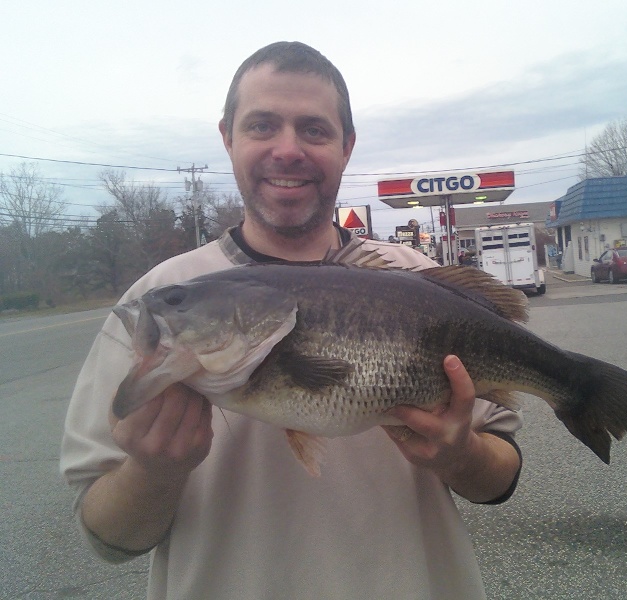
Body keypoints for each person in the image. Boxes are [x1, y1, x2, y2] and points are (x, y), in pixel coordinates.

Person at [60, 41, 523, 600]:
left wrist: (463, 455)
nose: (287, 150)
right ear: (227, 137)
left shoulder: (420, 284)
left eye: (314, 130)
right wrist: (154, 472)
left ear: (346, 147)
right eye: (261, 126)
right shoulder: (157, 301)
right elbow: (107, 538)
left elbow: (501, 475)